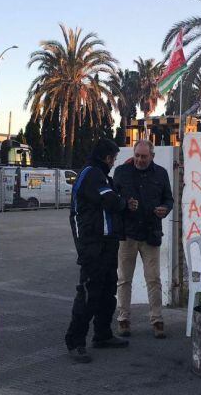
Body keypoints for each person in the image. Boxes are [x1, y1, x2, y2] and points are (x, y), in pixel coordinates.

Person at [65, 138, 132, 363]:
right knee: (89, 294)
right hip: (92, 244)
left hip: (107, 243)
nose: (114, 162)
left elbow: (115, 196)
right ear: (106, 157)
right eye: (113, 158)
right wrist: (123, 202)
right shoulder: (91, 174)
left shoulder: (103, 176)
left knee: (107, 291)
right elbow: (112, 201)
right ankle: (75, 342)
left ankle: (102, 334)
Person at [113, 140, 174, 339]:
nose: (139, 160)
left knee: (154, 279)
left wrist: (165, 209)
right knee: (124, 279)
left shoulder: (162, 174)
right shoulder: (121, 172)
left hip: (150, 234)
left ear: (152, 156)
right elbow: (114, 199)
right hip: (127, 234)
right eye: (137, 155)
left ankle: (157, 320)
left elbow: (169, 199)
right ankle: (123, 319)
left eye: (144, 157)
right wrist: (124, 204)